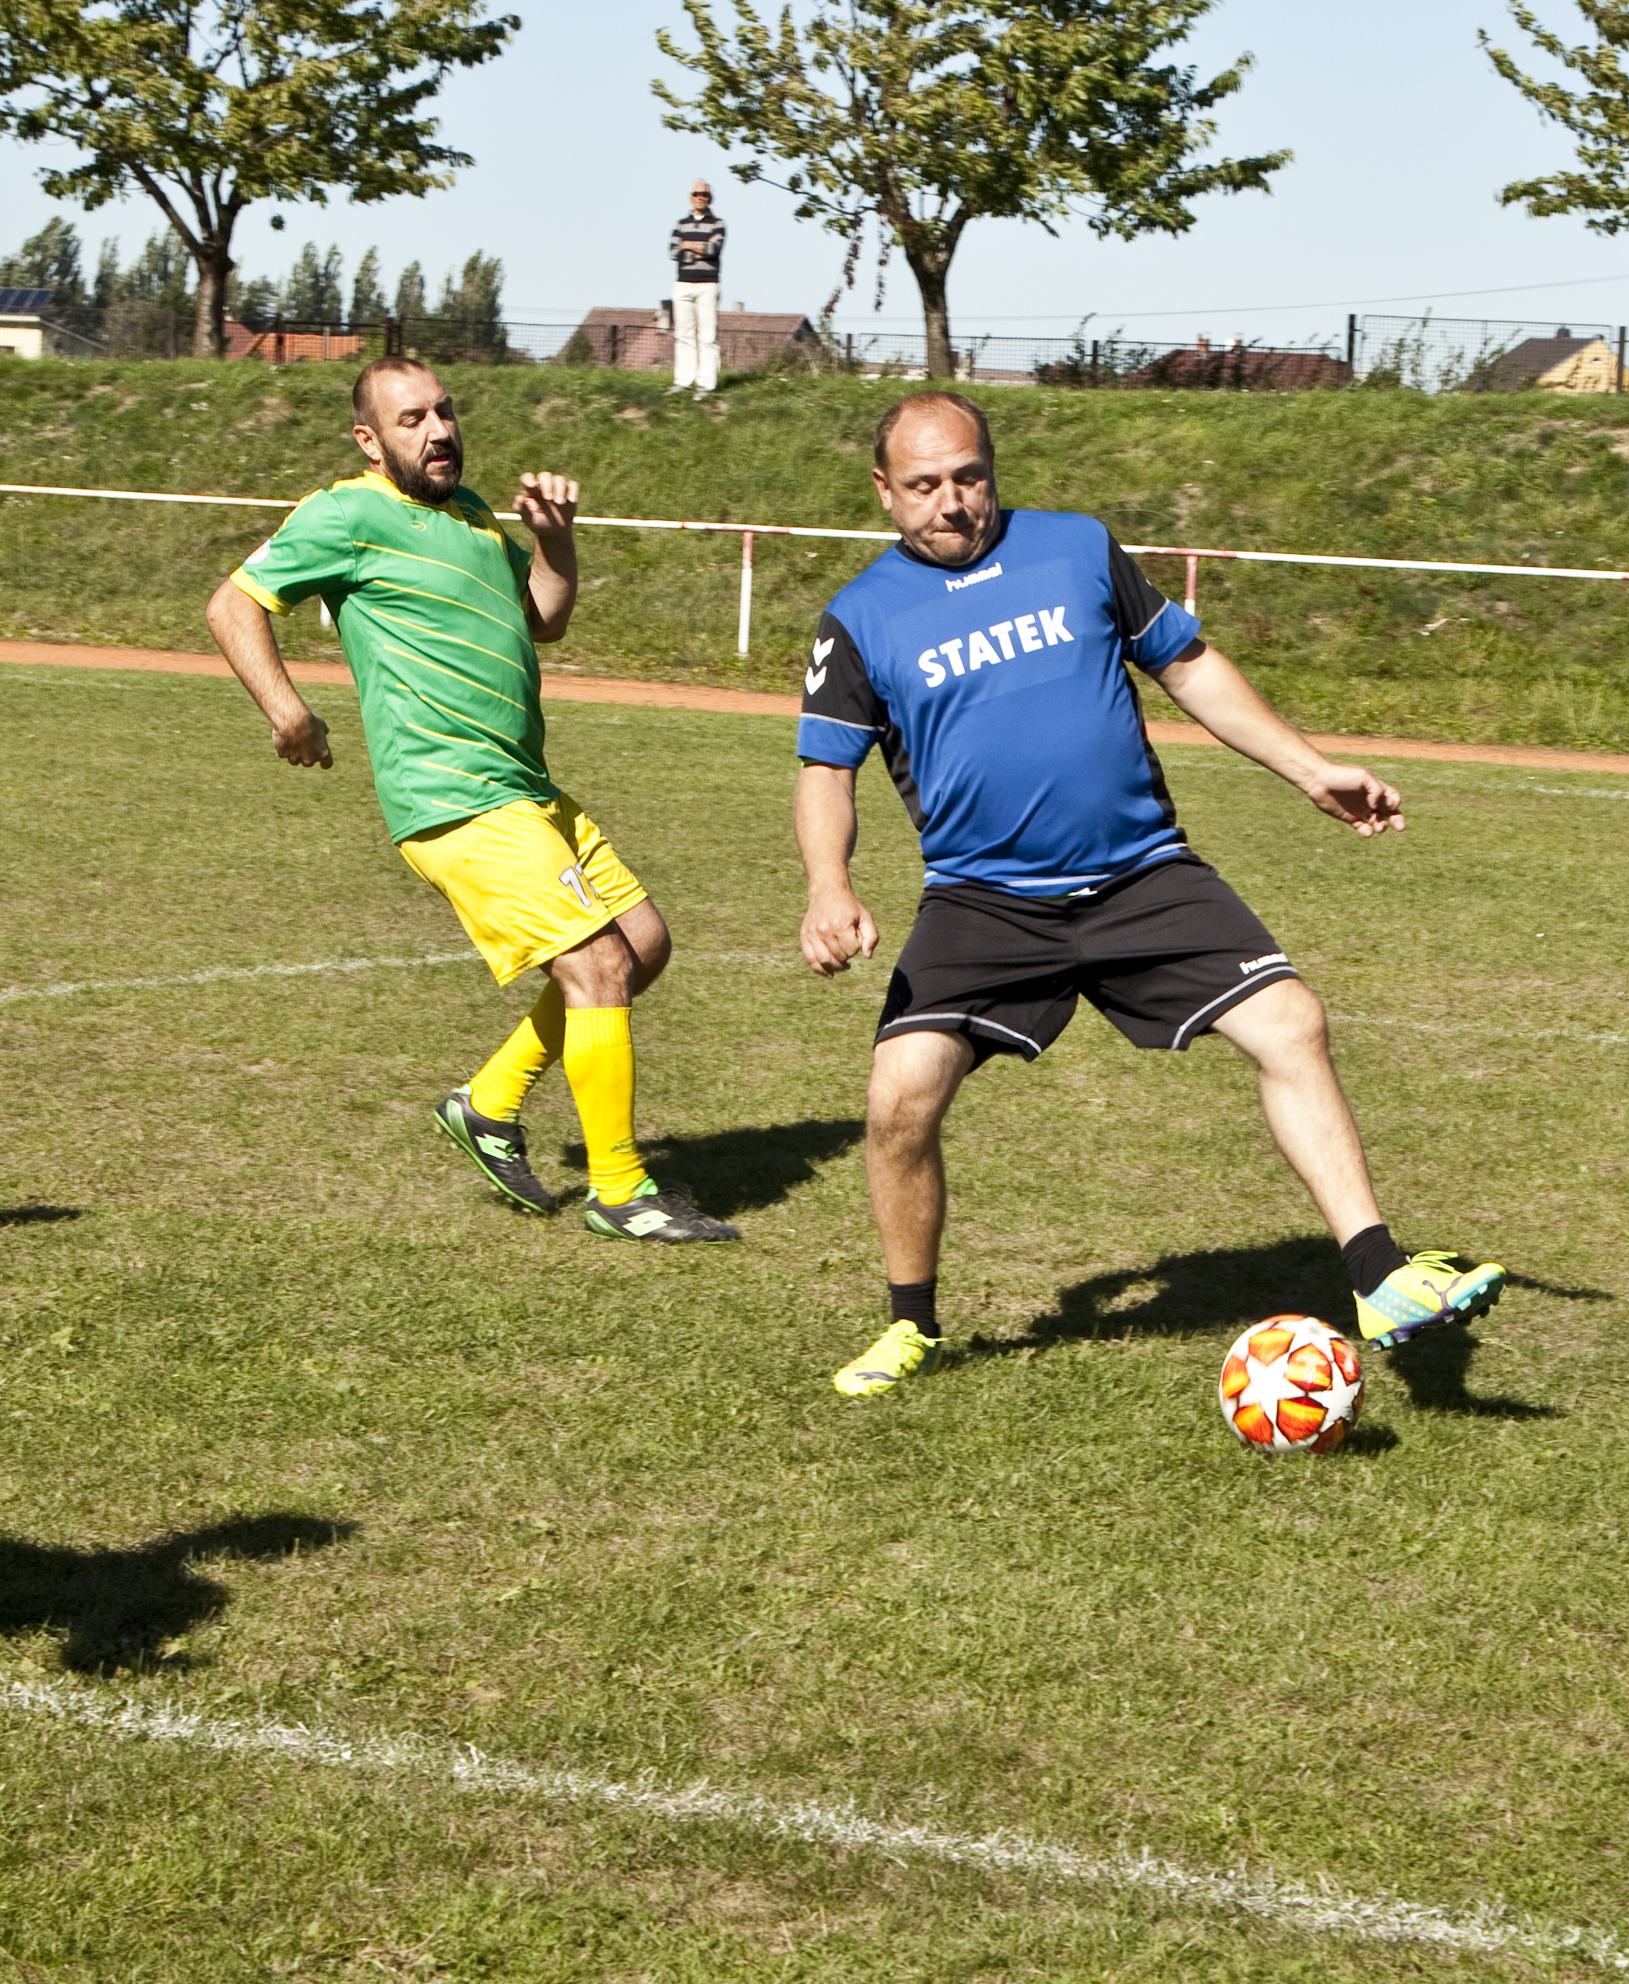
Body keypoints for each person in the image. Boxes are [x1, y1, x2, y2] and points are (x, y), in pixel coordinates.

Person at [794, 390, 1504, 1396]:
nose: (951, 502)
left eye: (968, 476)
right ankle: (912, 1323)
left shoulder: (1078, 548)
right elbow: (826, 768)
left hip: (1142, 874)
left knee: (1292, 1022)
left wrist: (1312, 771)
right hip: (984, 900)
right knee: (898, 1099)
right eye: (923, 485)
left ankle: (1379, 1276)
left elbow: (1190, 665)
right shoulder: (860, 618)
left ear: (993, 467)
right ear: (882, 491)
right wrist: (830, 884)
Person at [203, 356, 736, 1244]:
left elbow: (545, 616)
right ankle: (620, 1190)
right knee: (597, 963)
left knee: (642, 944)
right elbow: (233, 605)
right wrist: (288, 711)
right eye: (411, 419)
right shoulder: (347, 512)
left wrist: (555, 535)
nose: (439, 430)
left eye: (444, 412)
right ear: (370, 441)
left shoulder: (473, 514)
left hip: (523, 785)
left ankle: (487, 1106)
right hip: (451, 794)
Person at [668, 178, 725, 396]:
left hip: (707, 284)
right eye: (697, 193)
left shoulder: (718, 223)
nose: (700, 197)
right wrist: (697, 247)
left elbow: (713, 249)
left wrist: (688, 245)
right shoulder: (680, 224)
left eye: (705, 194)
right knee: (683, 333)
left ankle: (706, 383)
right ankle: (683, 380)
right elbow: (673, 252)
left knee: (707, 335)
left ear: (710, 198)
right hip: (683, 283)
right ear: (691, 197)